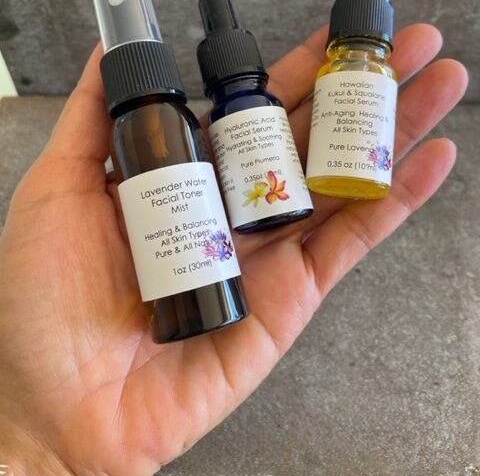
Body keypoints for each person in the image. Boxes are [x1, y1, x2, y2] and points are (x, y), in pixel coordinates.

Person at [0, 23, 467, 475]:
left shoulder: (179, 120)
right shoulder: (129, 129)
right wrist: (33, 436)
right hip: (140, 329)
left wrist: (42, 453)